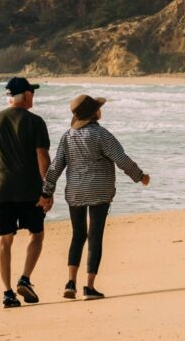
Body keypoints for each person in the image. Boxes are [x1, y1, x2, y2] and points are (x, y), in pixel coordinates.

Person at [38, 94, 149, 300]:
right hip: (99, 191)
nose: (100, 110)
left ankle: (70, 282)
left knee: (78, 235)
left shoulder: (67, 136)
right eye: (98, 108)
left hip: (75, 192)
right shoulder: (102, 135)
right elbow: (121, 159)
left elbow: (55, 167)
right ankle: (89, 287)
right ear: (94, 114)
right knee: (95, 235)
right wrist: (139, 176)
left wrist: (46, 192)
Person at [0, 77, 51, 308]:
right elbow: (42, 157)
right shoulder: (35, 122)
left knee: (4, 240)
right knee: (36, 234)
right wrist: (48, 189)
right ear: (27, 95)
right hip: (30, 191)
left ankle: (8, 292)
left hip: (0, 192)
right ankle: (25, 278)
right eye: (32, 93)